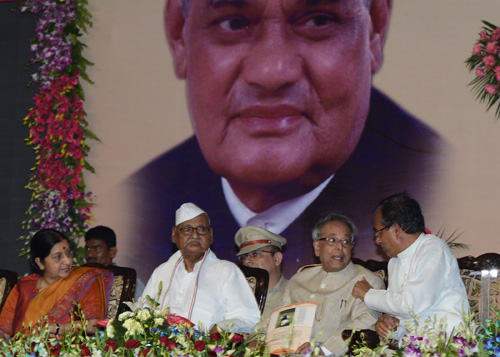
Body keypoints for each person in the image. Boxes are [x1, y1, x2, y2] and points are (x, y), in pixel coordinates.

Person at [127, 0, 446, 279]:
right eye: (234, 23)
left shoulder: (433, 176)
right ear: (179, 33)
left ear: (374, 28)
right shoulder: (143, 201)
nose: (271, 71)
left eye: (318, 19)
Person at [351, 193, 469, 342]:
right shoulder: (395, 262)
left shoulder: (433, 248)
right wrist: (389, 325)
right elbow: (403, 315)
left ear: (396, 229)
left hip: (448, 344)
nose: (377, 240)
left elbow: (410, 305)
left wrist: (368, 294)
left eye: (379, 232)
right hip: (414, 346)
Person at [140, 202, 260, 333]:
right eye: (187, 229)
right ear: (174, 235)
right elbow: (142, 314)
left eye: (202, 229)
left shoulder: (226, 271)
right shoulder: (161, 272)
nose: (195, 235)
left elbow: (248, 318)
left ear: (211, 235)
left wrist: (220, 329)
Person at [281, 214, 384, 356]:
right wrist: (260, 338)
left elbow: (367, 323)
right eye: (332, 240)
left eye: (346, 241)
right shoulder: (298, 280)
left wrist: (326, 349)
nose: (340, 247)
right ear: (317, 246)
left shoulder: (368, 282)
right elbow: (280, 317)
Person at [0, 229, 112, 341]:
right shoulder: (23, 287)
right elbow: (3, 332)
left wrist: (54, 328)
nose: (67, 261)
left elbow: (95, 325)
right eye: (57, 257)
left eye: (68, 253)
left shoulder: (85, 280)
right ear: (40, 262)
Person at [235, 226, 288, 321]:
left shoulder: (294, 292)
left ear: (277, 259)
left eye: (256, 254)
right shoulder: (235, 295)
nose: (247, 261)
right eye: (243, 257)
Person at [85, 225, 145, 299]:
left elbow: (143, 309)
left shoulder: (130, 282)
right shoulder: (80, 280)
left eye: (97, 248)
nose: (89, 254)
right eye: (87, 249)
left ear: (112, 252)